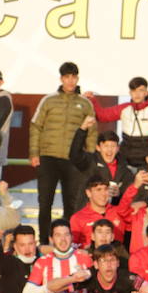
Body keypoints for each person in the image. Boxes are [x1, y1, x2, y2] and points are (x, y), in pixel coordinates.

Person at [30, 62, 96, 238]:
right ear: (61, 79)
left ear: (77, 78)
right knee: (45, 203)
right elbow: (36, 126)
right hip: (48, 158)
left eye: (73, 77)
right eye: (67, 77)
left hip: (73, 160)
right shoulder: (48, 100)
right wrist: (34, 153)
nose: (70, 81)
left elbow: (92, 132)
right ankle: (44, 241)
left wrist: (89, 159)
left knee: (71, 204)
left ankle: (69, 241)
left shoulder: (85, 103)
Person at [23, 220, 93, 293]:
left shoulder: (85, 259)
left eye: (66, 235)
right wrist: (49, 289)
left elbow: (100, 288)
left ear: (72, 237)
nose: (63, 239)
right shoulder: (43, 261)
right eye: (58, 235)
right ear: (51, 239)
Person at [89, 76, 148, 169]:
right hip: (125, 159)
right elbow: (102, 116)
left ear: (146, 92)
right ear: (130, 93)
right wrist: (92, 100)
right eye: (134, 91)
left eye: (140, 90)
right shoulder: (125, 108)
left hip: (146, 160)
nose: (137, 94)